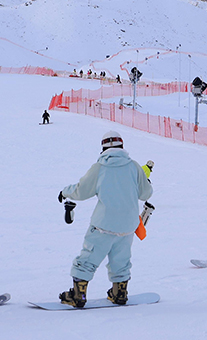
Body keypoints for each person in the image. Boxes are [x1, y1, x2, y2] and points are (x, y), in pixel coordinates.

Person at [58, 131, 154, 308]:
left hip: (103, 225)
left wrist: (65, 192)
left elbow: (82, 190)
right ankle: (120, 293)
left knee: (88, 258)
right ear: (122, 146)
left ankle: (78, 295)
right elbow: (146, 193)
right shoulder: (134, 167)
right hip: (128, 225)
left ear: (103, 147)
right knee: (121, 259)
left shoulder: (100, 167)